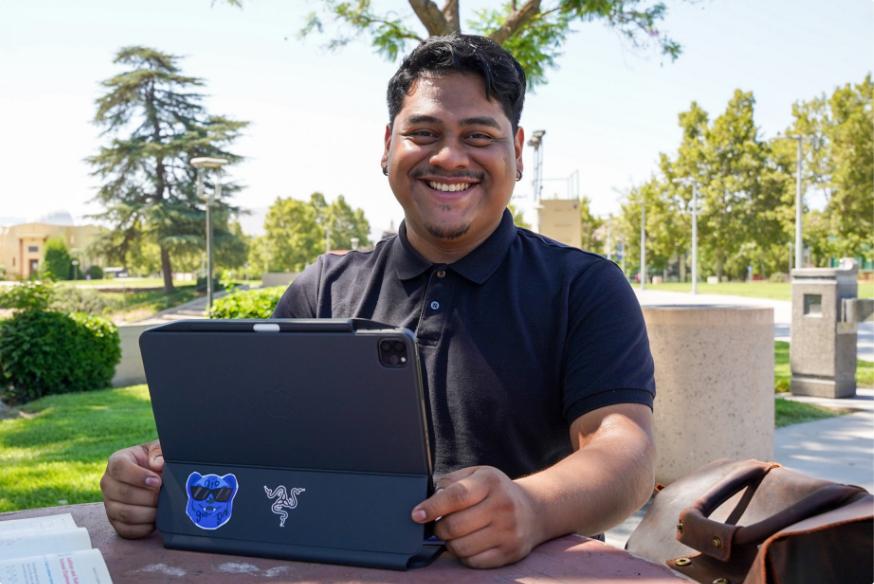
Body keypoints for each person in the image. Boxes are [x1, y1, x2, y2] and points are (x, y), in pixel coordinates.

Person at [100, 34, 656, 569]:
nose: (448, 157)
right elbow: (245, 439)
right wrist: (152, 473)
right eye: (424, 132)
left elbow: (624, 452)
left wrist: (533, 507)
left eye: (479, 136)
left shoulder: (583, 286)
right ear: (388, 145)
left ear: (515, 150)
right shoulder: (323, 288)